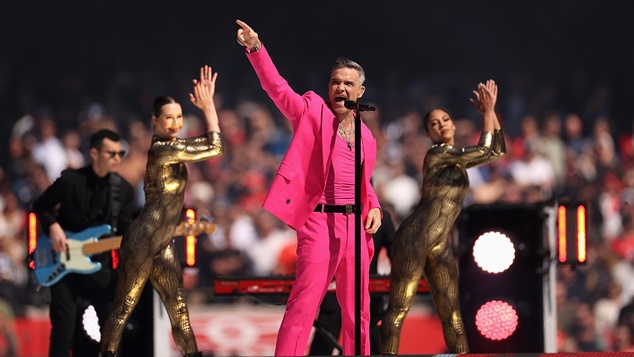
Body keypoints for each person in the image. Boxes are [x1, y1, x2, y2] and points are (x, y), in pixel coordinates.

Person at [236, 20, 383, 356]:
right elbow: (278, 89)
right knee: (303, 306)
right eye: (335, 82)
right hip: (319, 223)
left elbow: (363, 182)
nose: (340, 88)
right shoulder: (312, 110)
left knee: (358, 313)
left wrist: (373, 205)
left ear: (360, 92)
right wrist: (256, 49)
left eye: (348, 83)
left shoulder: (366, 136)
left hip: (355, 229)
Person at [100, 65, 223, 357]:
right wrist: (208, 107)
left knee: (178, 309)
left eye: (179, 117)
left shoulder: (172, 147)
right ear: (154, 121)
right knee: (124, 308)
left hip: (163, 242)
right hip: (143, 240)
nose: (175, 123)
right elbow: (215, 146)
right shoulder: (163, 150)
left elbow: (212, 146)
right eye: (169, 118)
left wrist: (208, 107)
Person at [380, 80, 506, 354]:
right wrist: (488, 112)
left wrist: (490, 111)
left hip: (438, 242)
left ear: (454, 125)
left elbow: (497, 150)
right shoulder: (437, 154)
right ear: (428, 133)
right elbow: (486, 151)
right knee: (400, 309)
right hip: (414, 237)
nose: (441, 125)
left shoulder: (457, 159)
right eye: (434, 124)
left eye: (445, 119)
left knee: (452, 313)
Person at [32, 128, 135, 357]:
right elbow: (40, 205)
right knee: (63, 332)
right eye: (112, 154)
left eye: (121, 154)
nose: (118, 159)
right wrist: (53, 226)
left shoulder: (124, 190)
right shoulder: (70, 180)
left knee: (113, 329)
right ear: (94, 153)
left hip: (101, 272)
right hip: (63, 268)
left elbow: (126, 232)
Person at [309, 208, 395, 355]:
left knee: (368, 342)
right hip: (360, 289)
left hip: (352, 290)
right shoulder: (382, 216)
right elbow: (396, 252)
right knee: (327, 343)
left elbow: (395, 251)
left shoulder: (334, 213)